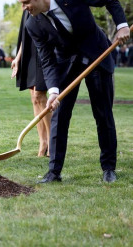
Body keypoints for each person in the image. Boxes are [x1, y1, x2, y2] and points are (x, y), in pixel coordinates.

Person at [21, 0, 130, 183]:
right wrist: (54, 91)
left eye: (26, 2)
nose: (24, 8)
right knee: (59, 115)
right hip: (67, 63)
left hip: (96, 54)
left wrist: (122, 25)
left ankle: (109, 168)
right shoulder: (33, 23)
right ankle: (54, 172)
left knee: (103, 114)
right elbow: (47, 60)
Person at [11, 9, 51, 157]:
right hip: (30, 53)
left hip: (43, 50)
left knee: (40, 94)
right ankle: (43, 142)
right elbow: (25, 35)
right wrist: (18, 58)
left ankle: (52, 142)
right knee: (34, 97)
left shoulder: (42, 6)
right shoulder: (27, 9)